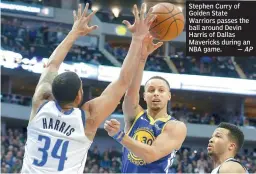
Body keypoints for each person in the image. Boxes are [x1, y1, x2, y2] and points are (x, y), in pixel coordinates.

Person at [21, 3, 155, 173]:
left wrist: (74, 32)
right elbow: (123, 81)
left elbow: (51, 65)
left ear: (52, 92)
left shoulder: (40, 103)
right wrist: (137, 39)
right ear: (79, 96)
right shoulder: (88, 119)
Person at [104, 29, 187, 173]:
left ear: (169, 96)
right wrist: (142, 58)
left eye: (161, 90)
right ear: (144, 96)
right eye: (151, 90)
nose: (156, 94)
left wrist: (119, 135)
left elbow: (151, 155)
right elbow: (131, 92)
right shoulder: (134, 116)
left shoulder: (176, 127)